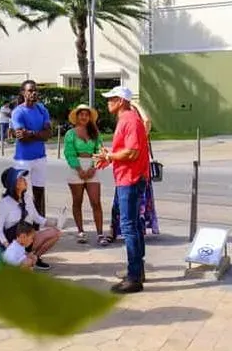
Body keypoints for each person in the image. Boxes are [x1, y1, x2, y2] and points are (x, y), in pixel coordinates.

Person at [94, 86, 149, 294]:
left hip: (131, 179)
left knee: (128, 227)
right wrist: (110, 157)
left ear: (122, 101)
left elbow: (132, 152)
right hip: (128, 177)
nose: (108, 102)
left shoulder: (129, 120)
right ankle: (137, 271)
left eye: (112, 98)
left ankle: (134, 276)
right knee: (133, 225)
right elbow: (125, 151)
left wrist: (109, 157)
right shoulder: (126, 120)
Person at [109, 102, 160, 241]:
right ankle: (115, 231)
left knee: (131, 216)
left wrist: (136, 105)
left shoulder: (137, 127)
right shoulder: (128, 126)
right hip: (129, 176)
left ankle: (121, 236)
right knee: (125, 210)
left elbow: (147, 121)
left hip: (132, 176)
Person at [0, 167, 61, 270]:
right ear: (14, 184)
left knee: (55, 232)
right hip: (13, 243)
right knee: (24, 263)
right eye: (21, 179)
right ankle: (19, 263)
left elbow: (36, 217)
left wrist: (51, 222)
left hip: (28, 238)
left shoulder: (27, 198)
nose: (25, 180)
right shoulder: (4, 203)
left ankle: (35, 258)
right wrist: (8, 247)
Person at [63, 104, 108, 246]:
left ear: (89, 117)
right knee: (77, 201)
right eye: (81, 114)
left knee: (96, 201)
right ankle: (80, 231)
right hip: (76, 167)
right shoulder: (70, 134)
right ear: (76, 117)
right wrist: (79, 169)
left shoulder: (95, 133)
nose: (84, 117)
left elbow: (99, 150)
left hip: (92, 166)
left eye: (86, 115)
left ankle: (100, 233)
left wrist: (93, 167)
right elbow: (69, 153)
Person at [10, 80, 51, 218]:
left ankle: (39, 220)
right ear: (23, 93)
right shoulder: (18, 112)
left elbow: (48, 135)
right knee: (21, 191)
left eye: (35, 90)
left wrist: (31, 133)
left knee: (39, 190)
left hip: (40, 157)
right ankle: (21, 220)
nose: (34, 93)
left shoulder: (42, 109)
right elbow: (21, 136)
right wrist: (37, 134)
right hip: (23, 159)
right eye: (30, 90)